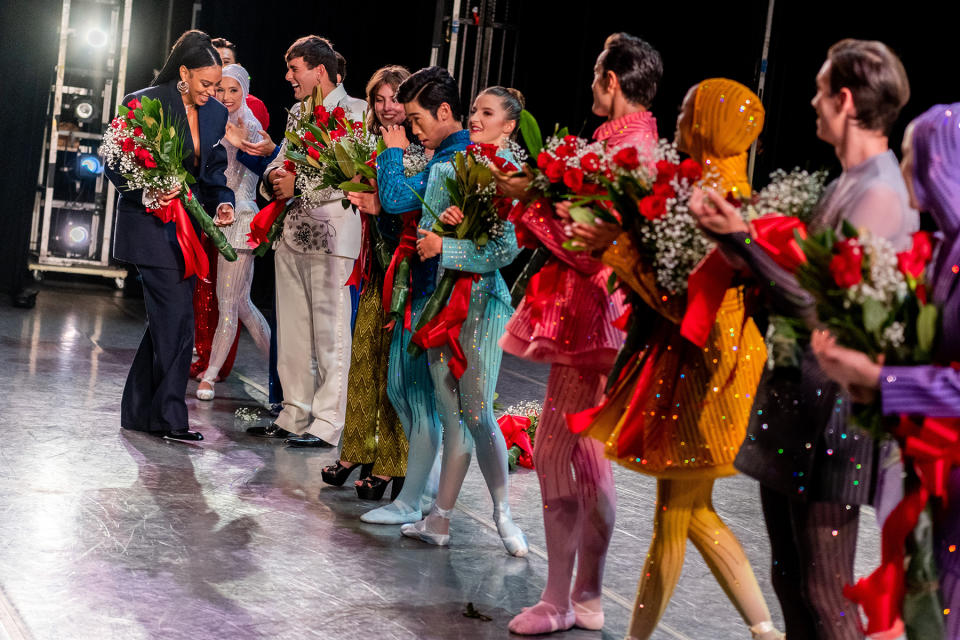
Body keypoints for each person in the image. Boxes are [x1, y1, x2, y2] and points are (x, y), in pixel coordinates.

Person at [690, 39, 917, 639]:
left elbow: (822, 309)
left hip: (834, 415)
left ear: (845, 100)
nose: (812, 102)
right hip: (801, 402)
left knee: (825, 589)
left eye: (820, 90)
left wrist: (742, 239)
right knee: (791, 574)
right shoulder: (851, 182)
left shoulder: (877, 194)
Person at [573, 78, 780, 640]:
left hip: (709, 368)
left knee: (676, 515)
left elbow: (681, 302)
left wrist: (614, 246)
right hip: (702, 363)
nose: (681, 117)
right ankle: (764, 631)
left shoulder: (715, 200)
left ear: (712, 121)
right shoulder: (714, 189)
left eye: (690, 109)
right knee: (687, 511)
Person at [502, 33, 658, 635]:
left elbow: (592, 252)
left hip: (595, 318)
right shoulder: (627, 143)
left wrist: (529, 203)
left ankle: (560, 600)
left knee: (555, 453)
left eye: (598, 75)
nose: (593, 84)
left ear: (611, 81)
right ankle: (585, 595)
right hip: (611, 320)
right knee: (591, 458)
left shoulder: (625, 152)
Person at [810, 103, 960, 638]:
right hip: (929, 467)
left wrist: (878, 379)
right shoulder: (941, 247)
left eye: (913, 158)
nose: (901, 170)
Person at [396, 82, 526, 555]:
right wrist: (444, 227)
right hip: (441, 300)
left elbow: (503, 249)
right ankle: (440, 521)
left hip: (482, 305)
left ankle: (503, 513)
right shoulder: (458, 165)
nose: (475, 117)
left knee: (476, 412)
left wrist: (446, 244)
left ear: (508, 125)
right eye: (474, 110)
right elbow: (432, 226)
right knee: (451, 416)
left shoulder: (510, 174)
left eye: (487, 113)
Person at [106, 30, 234, 442]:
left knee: (167, 320)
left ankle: (139, 410)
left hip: (189, 230)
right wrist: (148, 189)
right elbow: (113, 161)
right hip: (150, 226)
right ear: (184, 73)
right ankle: (171, 418)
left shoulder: (215, 114)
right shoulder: (143, 101)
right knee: (178, 319)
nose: (212, 92)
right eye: (205, 83)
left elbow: (212, 173)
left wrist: (223, 202)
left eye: (217, 85)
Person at [359, 67, 469, 527]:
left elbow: (399, 199)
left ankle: (421, 499)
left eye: (417, 117)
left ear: (445, 112)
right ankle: (422, 494)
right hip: (420, 286)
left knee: (430, 402)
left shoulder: (453, 156)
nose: (410, 126)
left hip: (436, 293)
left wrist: (391, 155)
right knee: (404, 391)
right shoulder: (442, 152)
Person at [245, 36, 366, 448]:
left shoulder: (357, 112)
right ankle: (294, 412)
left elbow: (353, 176)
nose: (288, 77)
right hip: (292, 235)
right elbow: (282, 158)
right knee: (293, 331)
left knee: (330, 333)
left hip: (333, 237)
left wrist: (300, 185)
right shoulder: (298, 112)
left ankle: (328, 421)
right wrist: (272, 179)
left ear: (319, 70)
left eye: (294, 68)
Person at [322, 66, 412, 500]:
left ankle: (393, 463)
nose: (387, 106)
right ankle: (356, 449)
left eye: (395, 97)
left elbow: (408, 212)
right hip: (376, 267)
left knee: (394, 372)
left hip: (409, 273)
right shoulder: (371, 144)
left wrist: (381, 208)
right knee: (364, 361)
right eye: (379, 99)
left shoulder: (419, 150)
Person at [194, 64, 271, 401]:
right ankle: (279, 370)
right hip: (222, 217)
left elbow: (247, 182)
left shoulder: (248, 125)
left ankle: (209, 376)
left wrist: (237, 141)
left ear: (245, 92)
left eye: (233, 90)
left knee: (229, 304)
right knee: (241, 304)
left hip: (239, 220)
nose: (225, 97)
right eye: (220, 89)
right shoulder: (213, 120)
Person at [212, 38, 270, 130]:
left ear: (238, 67)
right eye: (215, 62)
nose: (221, 68)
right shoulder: (198, 102)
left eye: (226, 62)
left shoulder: (255, 105)